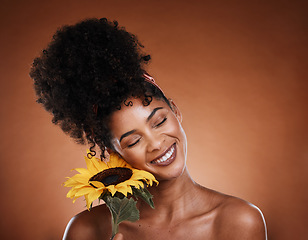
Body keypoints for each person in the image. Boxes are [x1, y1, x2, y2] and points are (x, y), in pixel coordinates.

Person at [30, 18, 267, 240]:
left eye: (159, 121)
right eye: (133, 141)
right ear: (113, 150)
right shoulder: (87, 230)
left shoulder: (238, 222)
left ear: (175, 110)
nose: (155, 143)